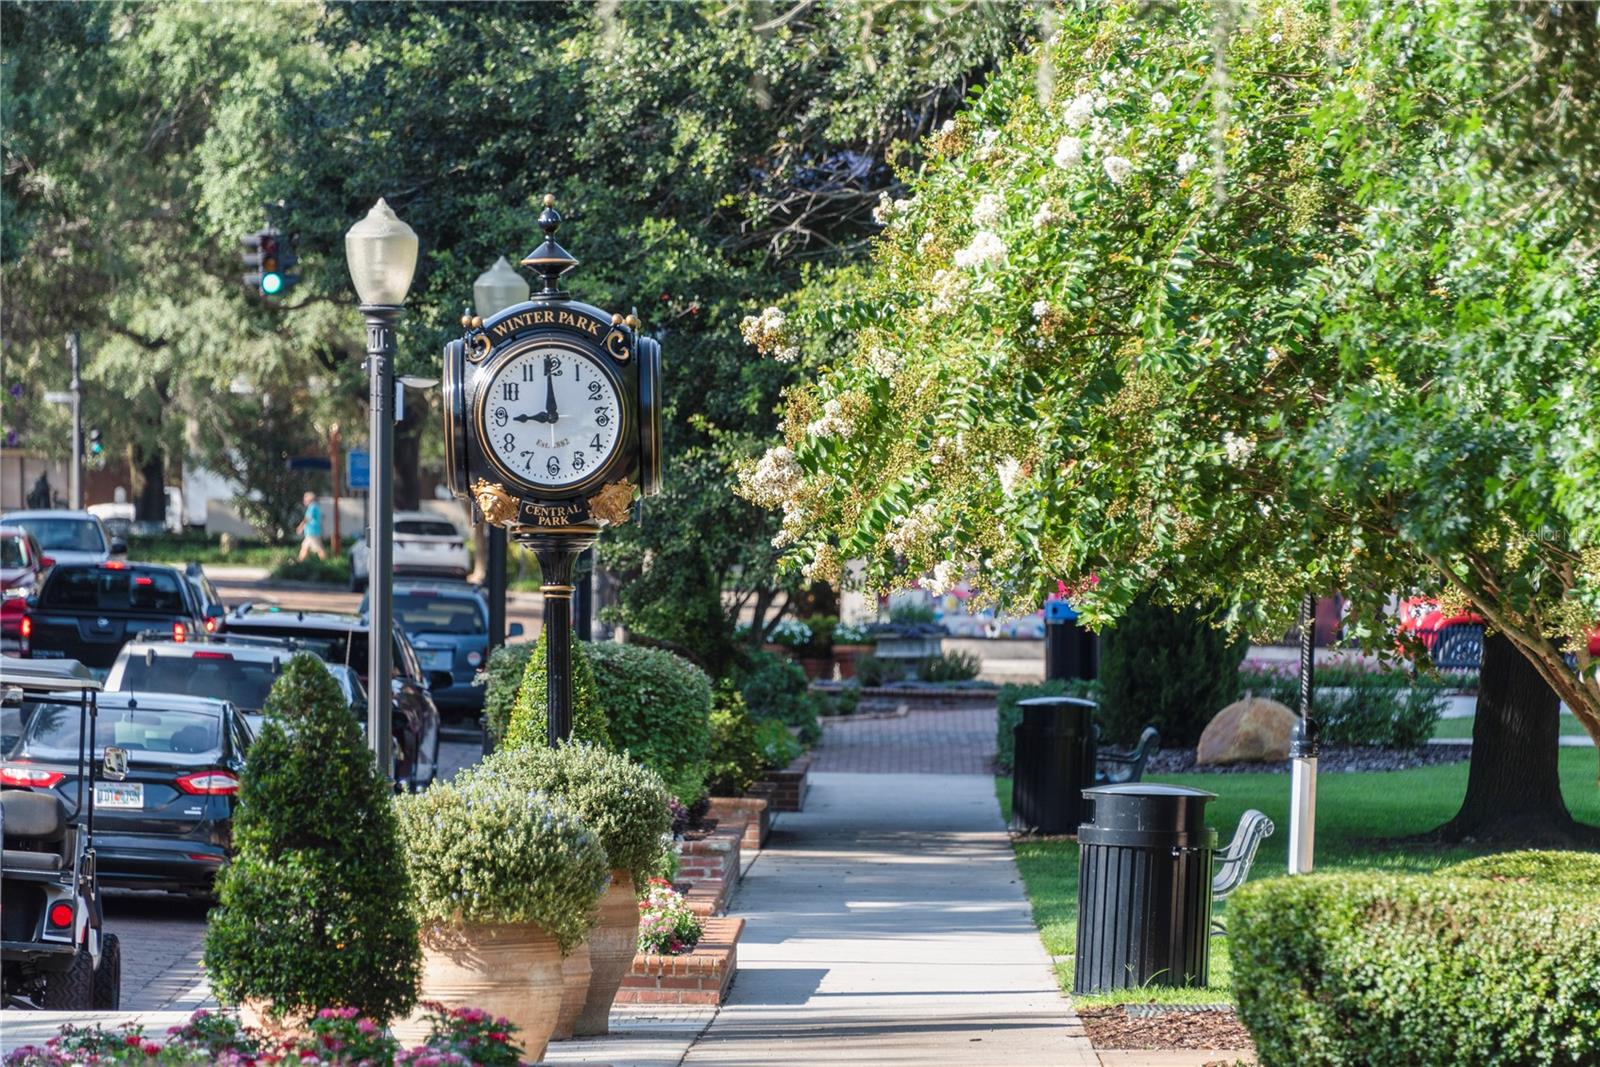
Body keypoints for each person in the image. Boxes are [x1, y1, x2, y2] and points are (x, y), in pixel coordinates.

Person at [296, 491, 326, 561]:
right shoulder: (313, 506)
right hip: (311, 532)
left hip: (312, 532)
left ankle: (326, 563)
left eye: (305, 498)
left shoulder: (312, 507)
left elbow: (307, 518)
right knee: (304, 547)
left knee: (319, 549)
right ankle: (299, 562)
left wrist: (300, 527)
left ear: (309, 499)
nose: (304, 500)